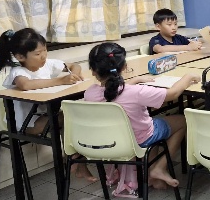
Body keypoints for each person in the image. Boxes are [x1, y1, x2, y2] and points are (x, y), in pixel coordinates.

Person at [83, 42, 199, 189]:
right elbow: (173, 94)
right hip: (140, 138)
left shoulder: (89, 93)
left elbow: (113, 92)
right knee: (182, 121)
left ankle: (152, 173)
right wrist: (187, 77)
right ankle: (159, 167)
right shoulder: (136, 92)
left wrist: (133, 81)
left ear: (93, 71)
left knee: (153, 122)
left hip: (110, 140)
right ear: (124, 66)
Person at [0, 28, 93, 180]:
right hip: (25, 122)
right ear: (20, 56)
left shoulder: (48, 64)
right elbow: (26, 85)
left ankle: (74, 159)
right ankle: (74, 161)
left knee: (75, 115)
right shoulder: (18, 72)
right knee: (71, 117)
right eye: (38, 54)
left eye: (45, 50)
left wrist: (74, 74)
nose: (43, 56)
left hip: (43, 116)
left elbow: (73, 66)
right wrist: (60, 80)